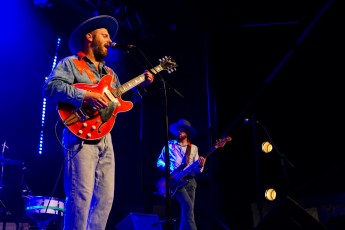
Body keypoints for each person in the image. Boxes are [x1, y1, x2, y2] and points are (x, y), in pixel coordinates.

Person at [42, 15, 155, 229]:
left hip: (105, 136)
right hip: (79, 134)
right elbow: (49, 88)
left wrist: (141, 87)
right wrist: (85, 96)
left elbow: (122, 103)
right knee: (81, 196)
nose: (109, 40)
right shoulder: (71, 63)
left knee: (105, 199)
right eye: (105, 35)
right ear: (89, 36)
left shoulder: (110, 74)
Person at [156, 118, 206, 230]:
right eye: (178, 130)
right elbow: (159, 162)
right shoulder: (169, 146)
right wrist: (172, 169)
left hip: (191, 182)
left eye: (182, 130)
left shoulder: (193, 148)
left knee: (188, 212)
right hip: (177, 181)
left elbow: (197, 170)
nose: (179, 132)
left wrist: (201, 165)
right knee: (188, 207)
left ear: (187, 132)